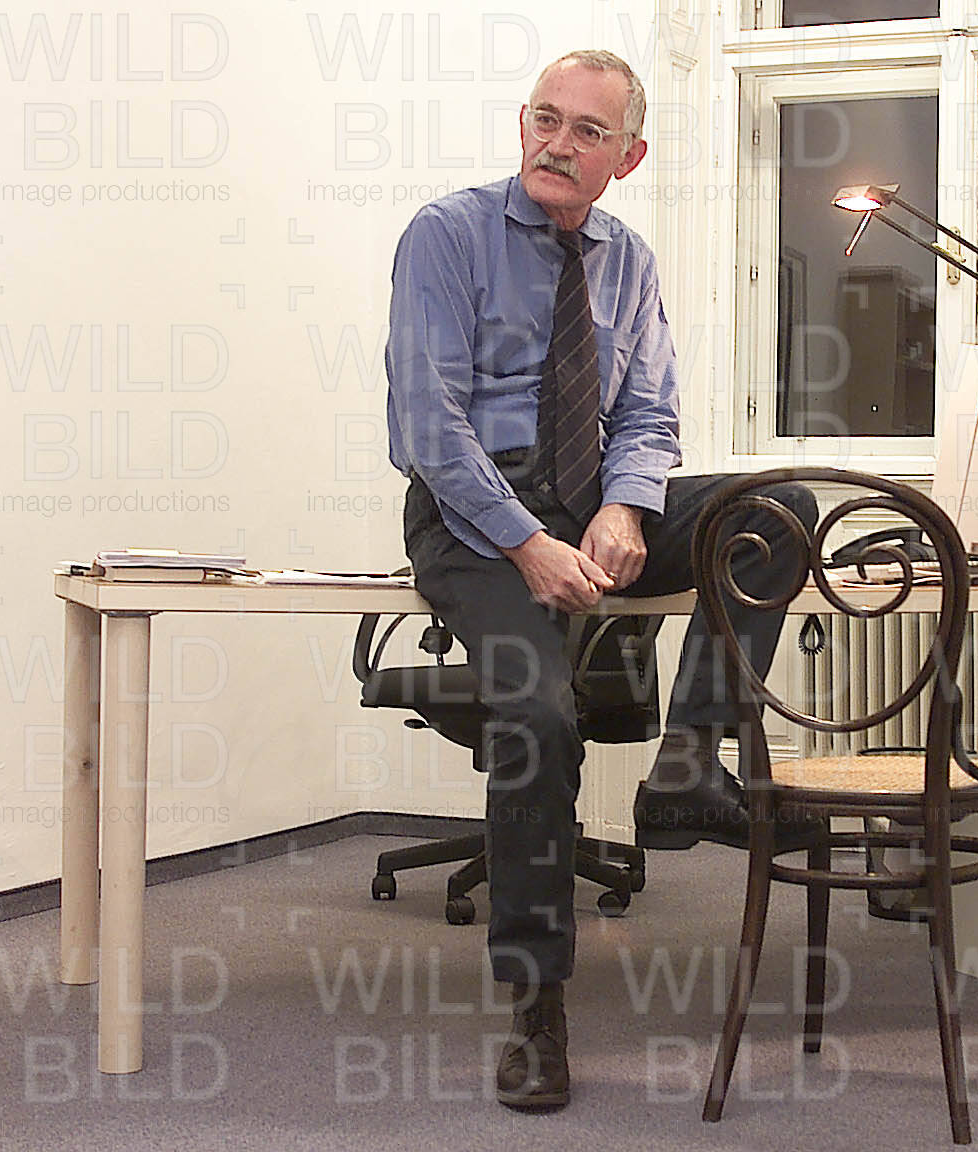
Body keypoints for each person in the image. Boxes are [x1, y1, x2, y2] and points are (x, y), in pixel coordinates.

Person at [383, 49, 819, 1114]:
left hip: (588, 503)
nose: (558, 143)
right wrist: (527, 540)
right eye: (546, 119)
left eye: (588, 131)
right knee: (539, 715)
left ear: (628, 156)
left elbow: (648, 413)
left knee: (776, 510)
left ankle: (687, 766)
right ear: (521, 124)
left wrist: (626, 508)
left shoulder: (629, 261)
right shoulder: (447, 235)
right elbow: (429, 425)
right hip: (473, 517)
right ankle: (537, 1008)